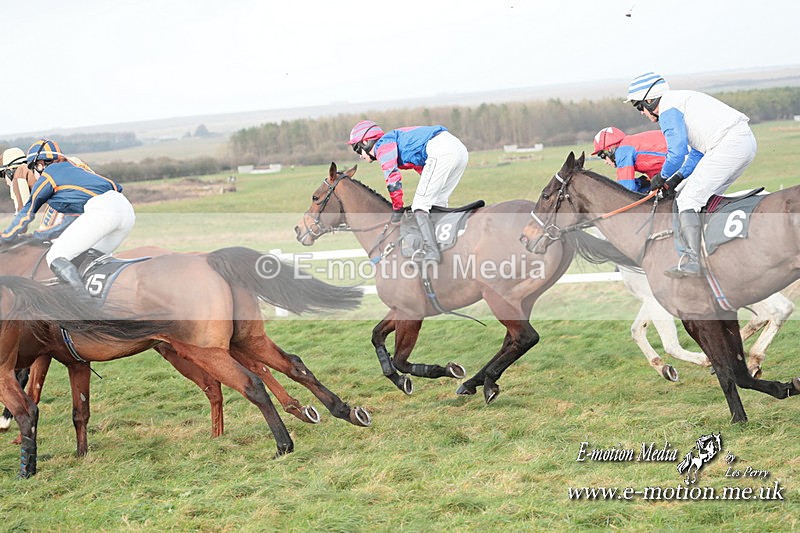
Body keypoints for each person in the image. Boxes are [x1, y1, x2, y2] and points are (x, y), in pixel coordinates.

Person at [625, 72, 757, 278]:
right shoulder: (680, 101)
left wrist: (661, 176)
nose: (641, 112)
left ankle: (693, 261)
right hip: (742, 143)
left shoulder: (668, 109)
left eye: (638, 106)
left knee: (688, 199)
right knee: (694, 195)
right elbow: (696, 151)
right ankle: (715, 247)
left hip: (729, 145)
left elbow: (677, 153)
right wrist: (676, 178)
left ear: (650, 101)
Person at [0, 139, 136, 292]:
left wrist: (5, 237)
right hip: (126, 211)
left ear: (40, 165)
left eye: (32, 168)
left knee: (55, 256)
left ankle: (82, 302)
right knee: (88, 259)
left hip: (102, 211)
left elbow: (26, 214)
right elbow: (69, 219)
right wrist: (39, 235)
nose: (32, 174)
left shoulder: (49, 175)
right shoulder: (71, 171)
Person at [347, 120, 469, 264]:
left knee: (420, 205)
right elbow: (421, 167)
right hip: (459, 150)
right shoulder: (393, 141)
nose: (360, 155)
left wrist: (397, 208)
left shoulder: (383, 146)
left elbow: (392, 179)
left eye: (356, 148)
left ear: (366, 141)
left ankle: (431, 251)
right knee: (436, 203)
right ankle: (445, 246)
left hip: (442, 149)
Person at [591, 126, 667, 194]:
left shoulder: (622, 151)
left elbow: (626, 191)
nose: (605, 162)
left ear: (609, 150)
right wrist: (642, 183)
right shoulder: (630, 144)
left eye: (602, 156)